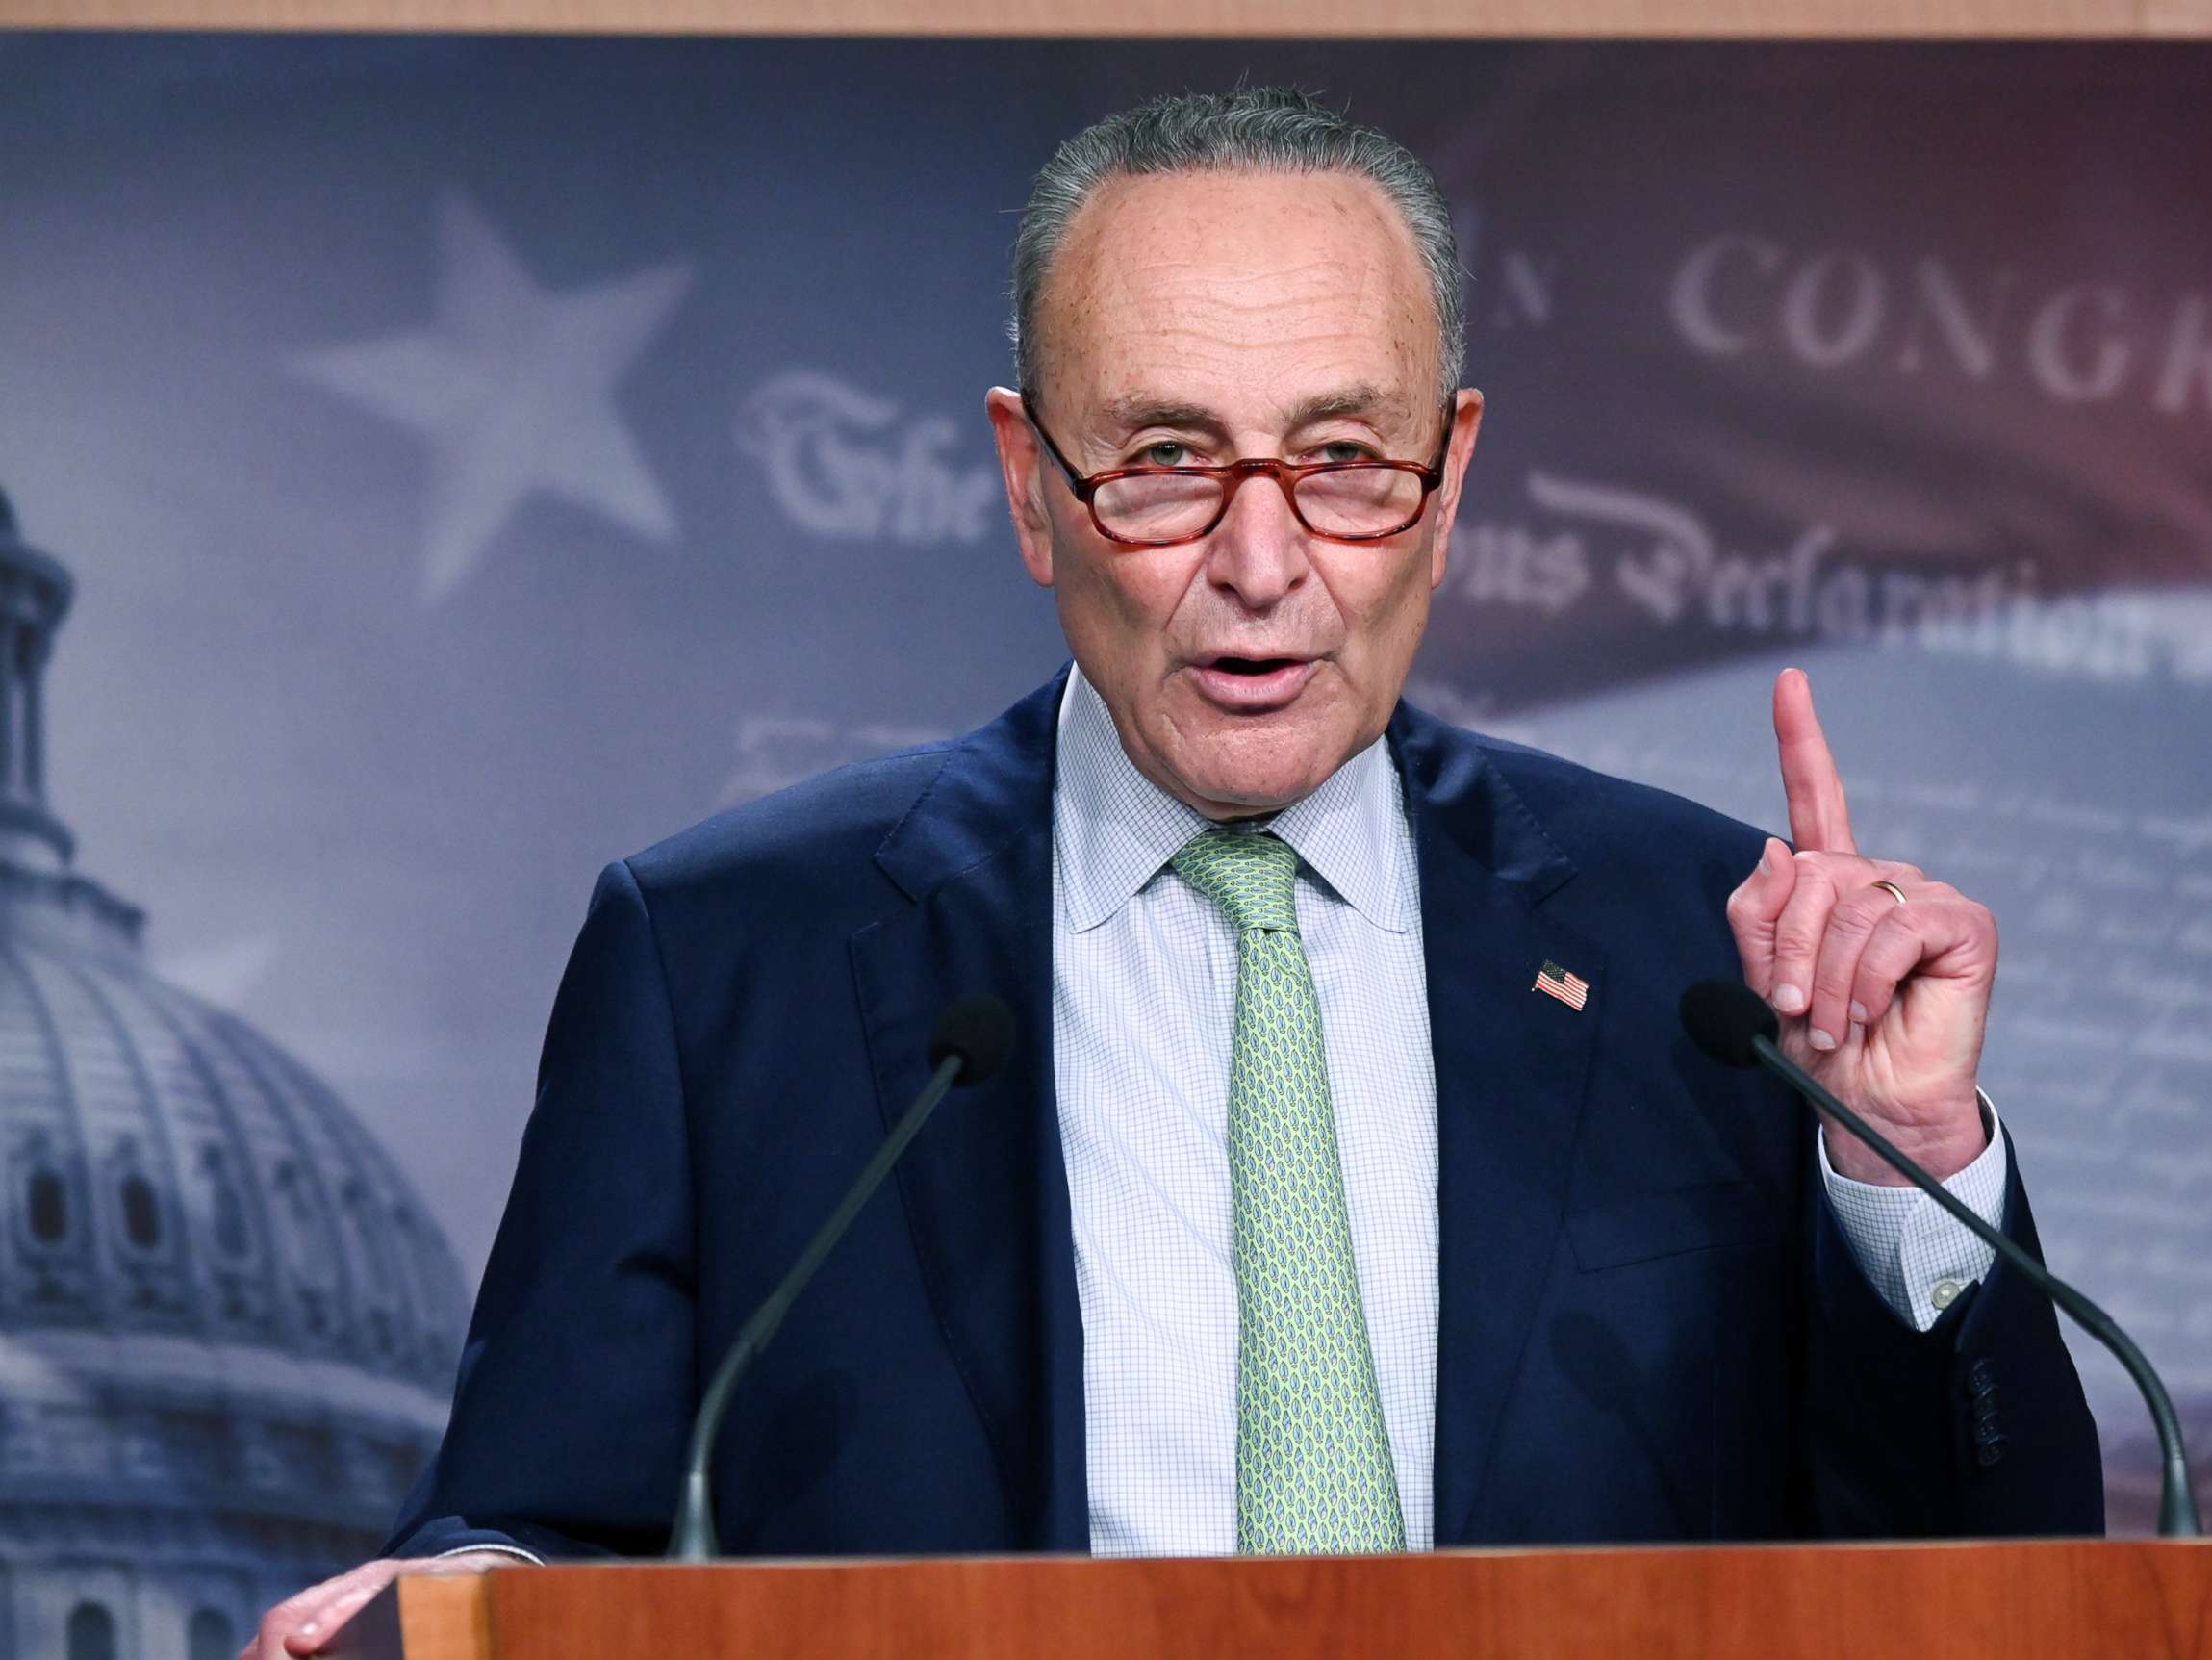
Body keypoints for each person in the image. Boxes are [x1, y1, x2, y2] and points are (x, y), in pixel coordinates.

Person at [250, 85, 2100, 1658]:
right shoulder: (731, 960)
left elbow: (1991, 1591)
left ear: (1450, 482)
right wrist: (457, 1609)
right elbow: (533, 1529)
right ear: (1028, 481)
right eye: (1163, 460)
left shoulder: (1715, 958)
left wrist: (1903, 1164)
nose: (1262, 558)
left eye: (1345, 458)